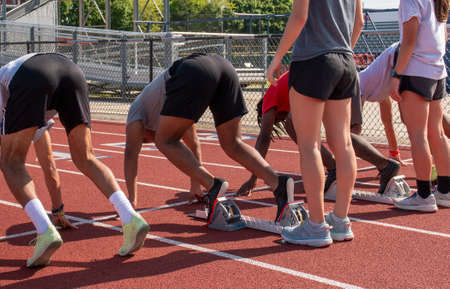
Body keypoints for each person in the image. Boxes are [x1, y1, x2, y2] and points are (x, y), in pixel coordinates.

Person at [0, 53, 149, 267]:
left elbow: (15, 159)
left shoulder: (9, 94)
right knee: (86, 157)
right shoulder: (20, 101)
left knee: (10, 162)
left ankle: (44, 231)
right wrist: (58, 209)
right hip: (71, 71)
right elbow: (48, 163)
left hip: (31, 75)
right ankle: (130, 218)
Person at [153, 53, 293, 225]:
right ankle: (277, 182)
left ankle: (212, 185)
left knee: (165, 140)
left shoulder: (145, 100)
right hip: (226, 67)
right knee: (233, 143)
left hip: (195, 70)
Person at [267, 0, 364, 247]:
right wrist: (343, 52)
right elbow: (359, 22)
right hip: (345, 60)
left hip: (313, 60)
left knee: (309, 144)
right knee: (343, 143)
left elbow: (299, 17)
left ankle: (316, 225)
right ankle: (341, 220)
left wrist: (277, 58)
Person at [237, 67, 402, 197]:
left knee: (292, 125)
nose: (275, 122)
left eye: (274, 120)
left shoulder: (269, 99)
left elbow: (264, 137)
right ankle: (385, 164)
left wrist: (253, 178)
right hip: (338, 73)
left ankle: (333, 167)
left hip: (317, 78)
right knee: (339, 133)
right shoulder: (286, 95)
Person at [390, 0, 450, 211]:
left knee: (418, 134)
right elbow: (443, 36)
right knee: (437, 134)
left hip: (416, 70)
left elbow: (409, 40)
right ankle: (445, 190)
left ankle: (424, 195)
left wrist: (396, 74)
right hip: (437, 70)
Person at [125, 71, 203, 207]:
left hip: (179, 74)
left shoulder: (136, 116)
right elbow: (193, 144)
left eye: (149, 140)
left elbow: (130, 155)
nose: (155, 141)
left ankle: (213, 185)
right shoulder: (168, 117)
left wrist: (196, 184)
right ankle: (213, 185)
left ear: (143, 134)